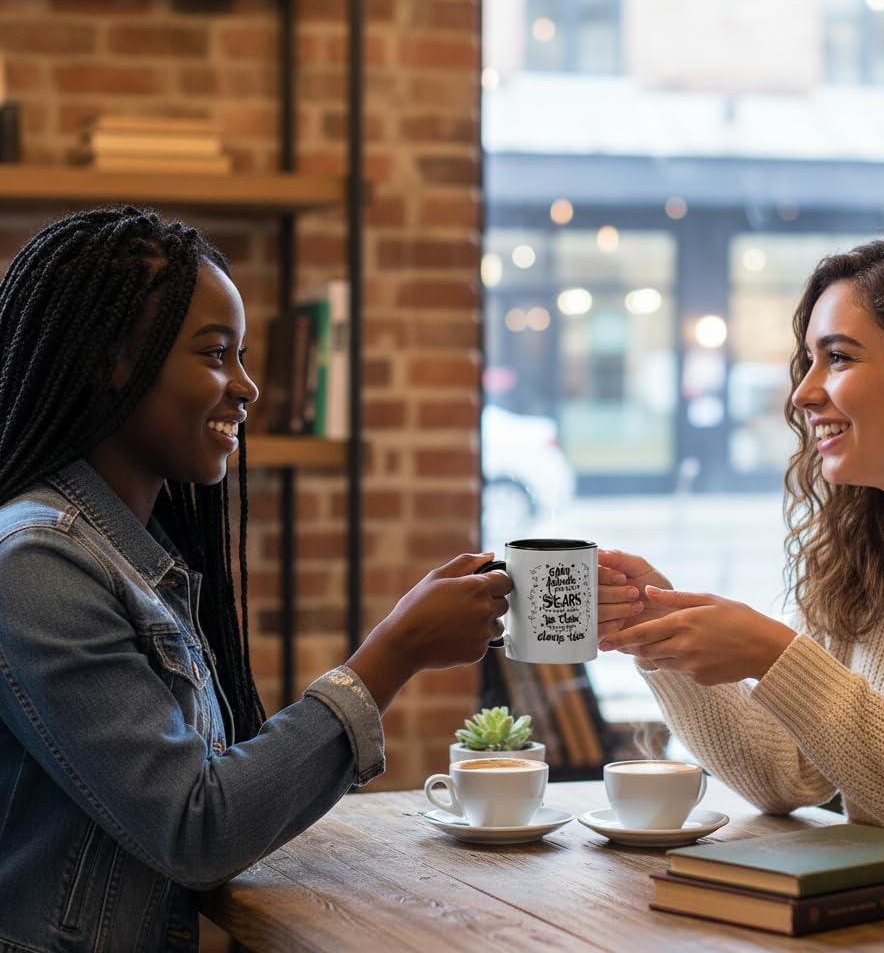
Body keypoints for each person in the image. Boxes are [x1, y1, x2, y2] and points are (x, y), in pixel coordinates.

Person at [0, 206, 512, 951]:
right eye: (215, 354)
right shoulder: (37, 564)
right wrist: (393, 653)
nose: (247, 387)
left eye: (241, 355)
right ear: (110, 360)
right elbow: (196, 826)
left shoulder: (133, 558)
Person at [598, 231, 884, 869]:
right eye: (810, 360)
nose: (802, 393)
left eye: (841, 358)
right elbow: (789, 774)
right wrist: (657, 630)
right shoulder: (866, 555)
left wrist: (774, 654)